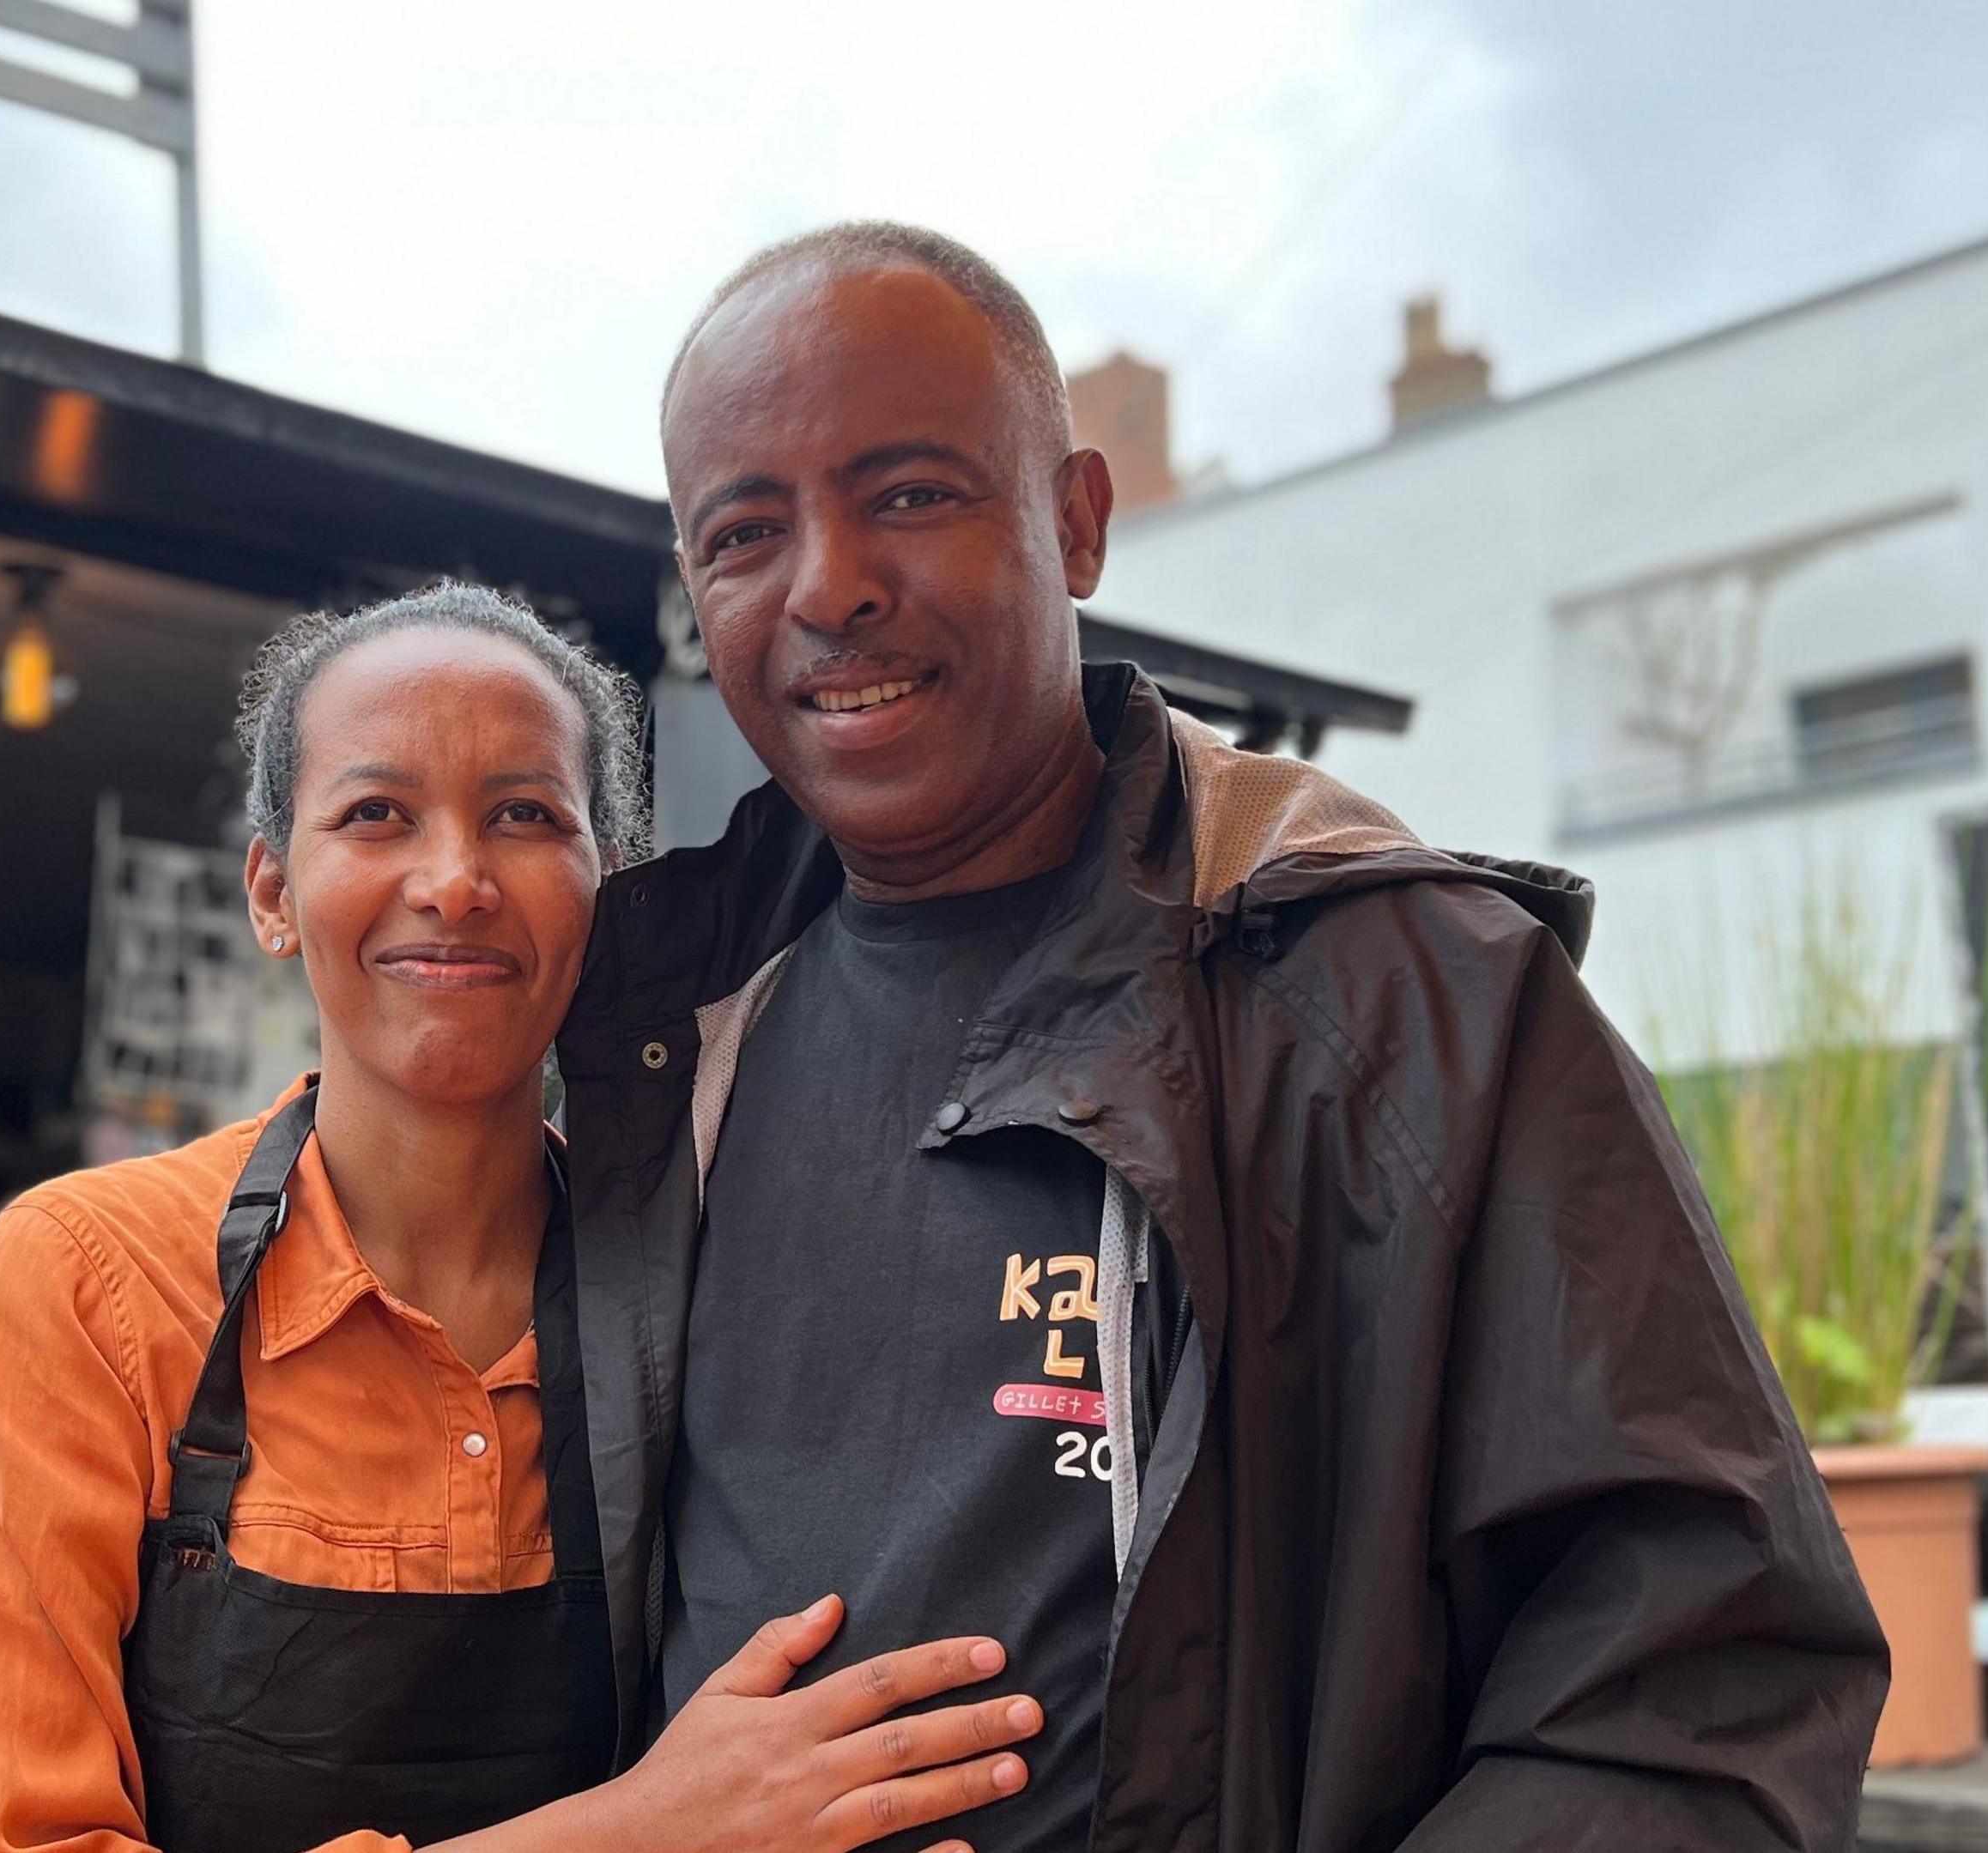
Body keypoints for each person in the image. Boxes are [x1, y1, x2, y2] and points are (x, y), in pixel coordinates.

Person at [557, 225, 1892, 1852]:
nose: (829, 583)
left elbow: (1702, 1681)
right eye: (746, 530)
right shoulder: (650, 1046)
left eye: (909, 493)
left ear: (1079, 520)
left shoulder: (1403, 1009)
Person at [0, 582, 1050, 1853]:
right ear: (275, 893)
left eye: (523, 814)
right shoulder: (85, 1282)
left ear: (604, 896)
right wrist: (641, 1835)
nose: (454, 882)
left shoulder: (702, 1286)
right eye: (377, 814)